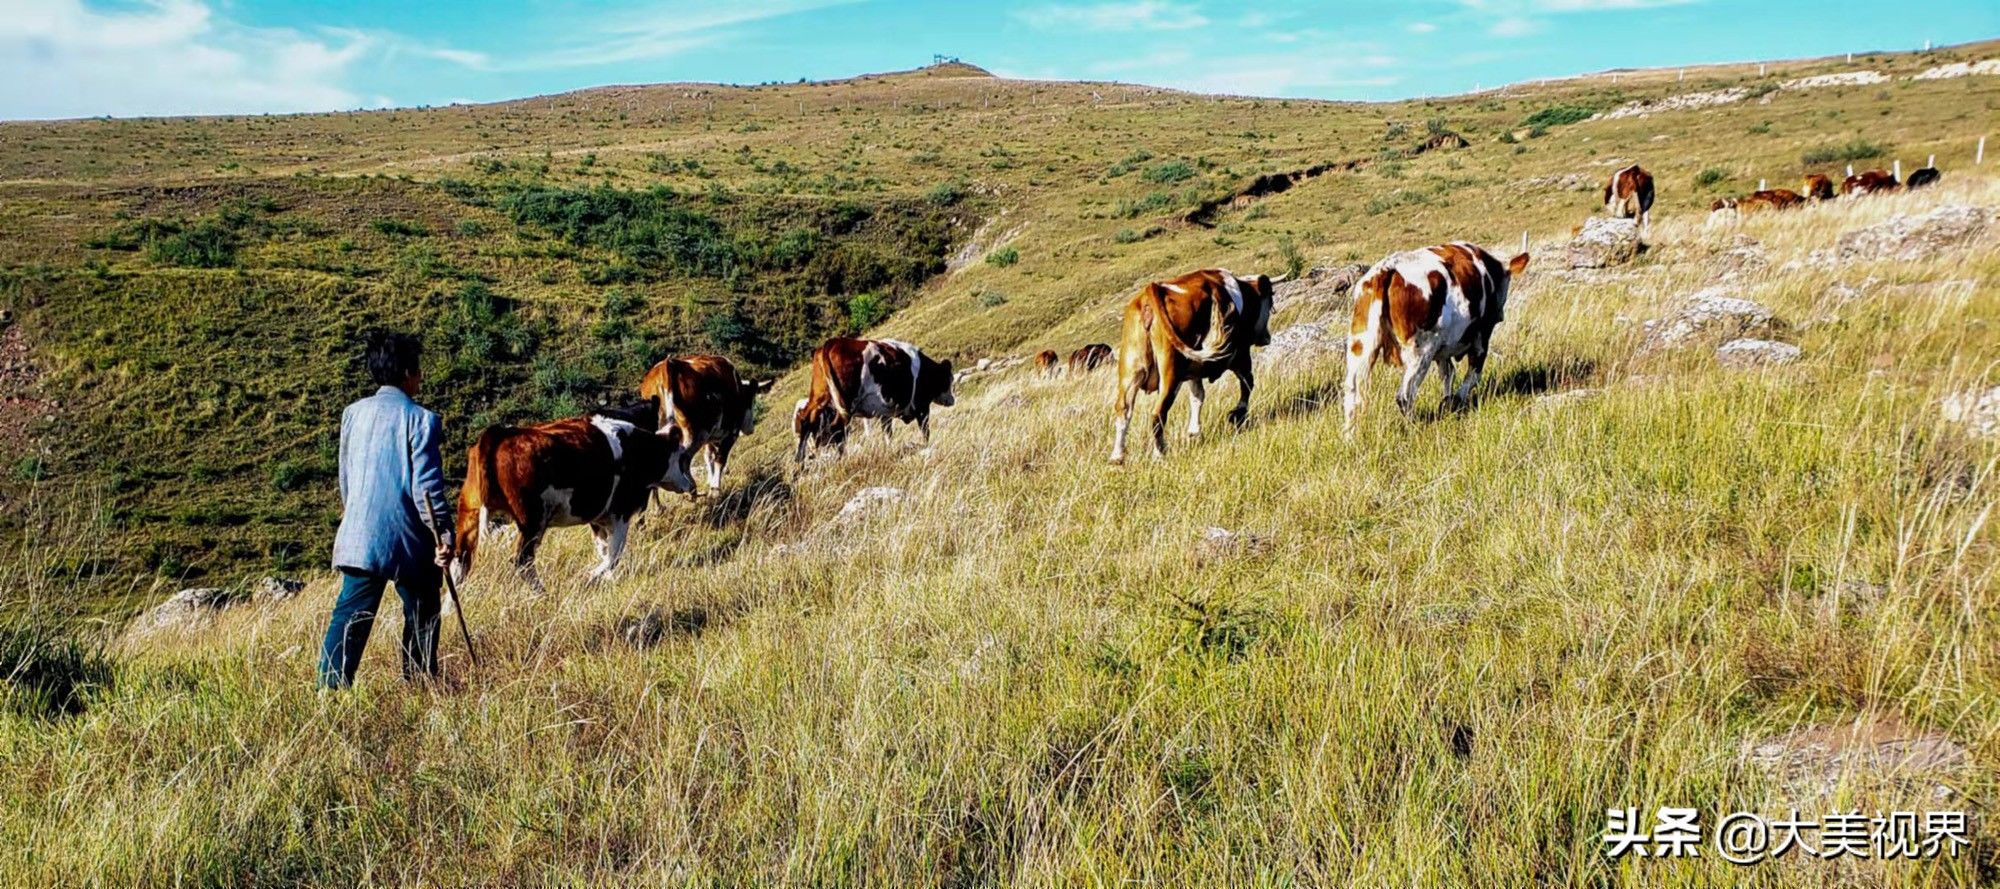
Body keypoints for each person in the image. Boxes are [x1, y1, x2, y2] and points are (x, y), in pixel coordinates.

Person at [319, 331, 454, 688]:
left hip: (359, 533)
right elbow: (426, 487)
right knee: (424, 606)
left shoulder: (353, 414)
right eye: (419, 370)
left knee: (350, 615)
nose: (421, 377)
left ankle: (330, 691)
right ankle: (421, 683)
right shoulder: (421, 419)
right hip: (407, 538)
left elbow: (346, 476)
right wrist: (443, 536)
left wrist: (355, 517)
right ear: (408, 372)